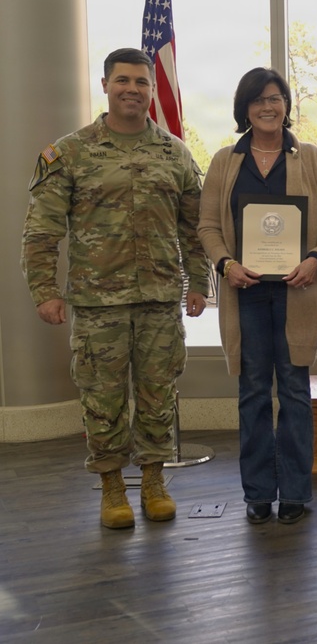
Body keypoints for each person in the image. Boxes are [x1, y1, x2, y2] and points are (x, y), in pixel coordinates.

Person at [21, 48, 209, 529]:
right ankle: (110, 487)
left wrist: (199, 282)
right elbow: (41, 230)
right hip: (97, 302)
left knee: (157, 394)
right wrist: (45, 289)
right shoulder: (71, 152)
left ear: (151, 88)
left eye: (142, 82)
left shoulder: (174, 153)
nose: (133, 89)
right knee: (101, 398)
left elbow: (193, 227)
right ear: (105, 85)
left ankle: (152, 481)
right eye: (123, 80)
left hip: (161, 299)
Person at [198, 68, 317, 525]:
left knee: (296, 393)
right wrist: (226, 264)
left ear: (286, 104)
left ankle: (297, 493)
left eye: (276, 97)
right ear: (245, 108)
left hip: (296, 294)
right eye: (259, 99)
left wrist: (316, 261)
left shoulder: (313, 159)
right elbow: (206, 226)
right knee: (253, 394)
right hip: (245, 296)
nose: (268, 106)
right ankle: (259, 494)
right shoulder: (225, 162)